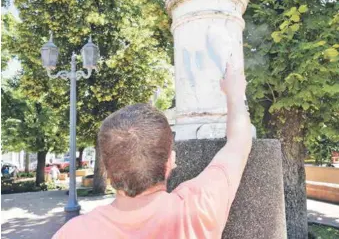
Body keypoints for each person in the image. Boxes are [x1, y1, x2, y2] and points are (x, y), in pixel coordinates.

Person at [53, 63, 252, 239]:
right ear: (170, 161)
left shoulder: (74, 233)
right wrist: (234, 94)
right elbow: (239, 143)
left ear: (105, 168)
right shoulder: (198, 207)